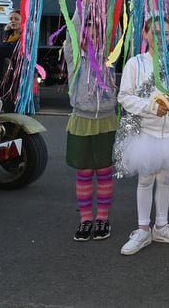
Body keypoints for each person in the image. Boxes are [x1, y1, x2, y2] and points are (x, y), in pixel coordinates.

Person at [113, 17, 169, 256]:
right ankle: (142, 229)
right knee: (145, 179)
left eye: (167, 34)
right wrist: (151, 107)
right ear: (145, 33)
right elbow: (125, 97)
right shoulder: (135, 64)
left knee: (165, 179)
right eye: (156, 32)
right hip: (147, 133)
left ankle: (161, 225)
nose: (161, 38)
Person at [64, 15, 118, 241]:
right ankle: (86, 220)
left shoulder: (109, 57)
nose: (91, 36)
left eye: (96, 31)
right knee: (84, 172)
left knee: (104, 171)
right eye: (86, 32)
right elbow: (72, 29)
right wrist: (82, 2)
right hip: (81, 119)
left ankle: (102, 220)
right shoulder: (74, 56)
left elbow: (112, 21)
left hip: (106, 119)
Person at [0, 10, 22, 113]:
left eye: (16, 19)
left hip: (17, 81)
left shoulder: (26, 38)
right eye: (11, 19)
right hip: (4, 80)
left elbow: (13, 50)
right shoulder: (8, 37)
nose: (13, 21)